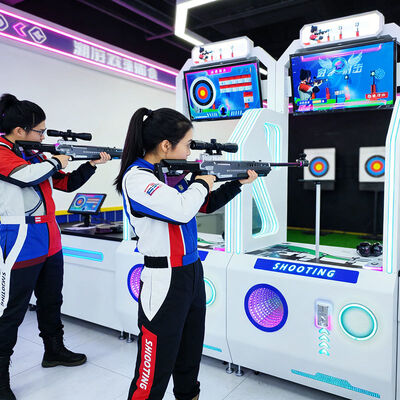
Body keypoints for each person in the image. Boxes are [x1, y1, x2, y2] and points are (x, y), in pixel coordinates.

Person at [114, 107, 258, 400]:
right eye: (188, 144)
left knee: (190, 353)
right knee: (154, 366)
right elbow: (181, 210)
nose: (191, 151)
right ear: (166, 145)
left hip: (191, 271)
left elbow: (202, 205)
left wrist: (236, 183)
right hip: (164, 276)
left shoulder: (168, 174)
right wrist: (202, 180)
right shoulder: (137, 178)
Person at [0, 93, 111, 400]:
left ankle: (54, 350)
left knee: (51, 300)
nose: (43, 137)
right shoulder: (3, 152)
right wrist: (54, 160)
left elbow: (66, 183)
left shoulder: (34, 154)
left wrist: (90, 164)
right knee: (12, 310)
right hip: (19, 238)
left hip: (49, 236)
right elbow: (24, 178)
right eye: (40, 131)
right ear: (20, 130)